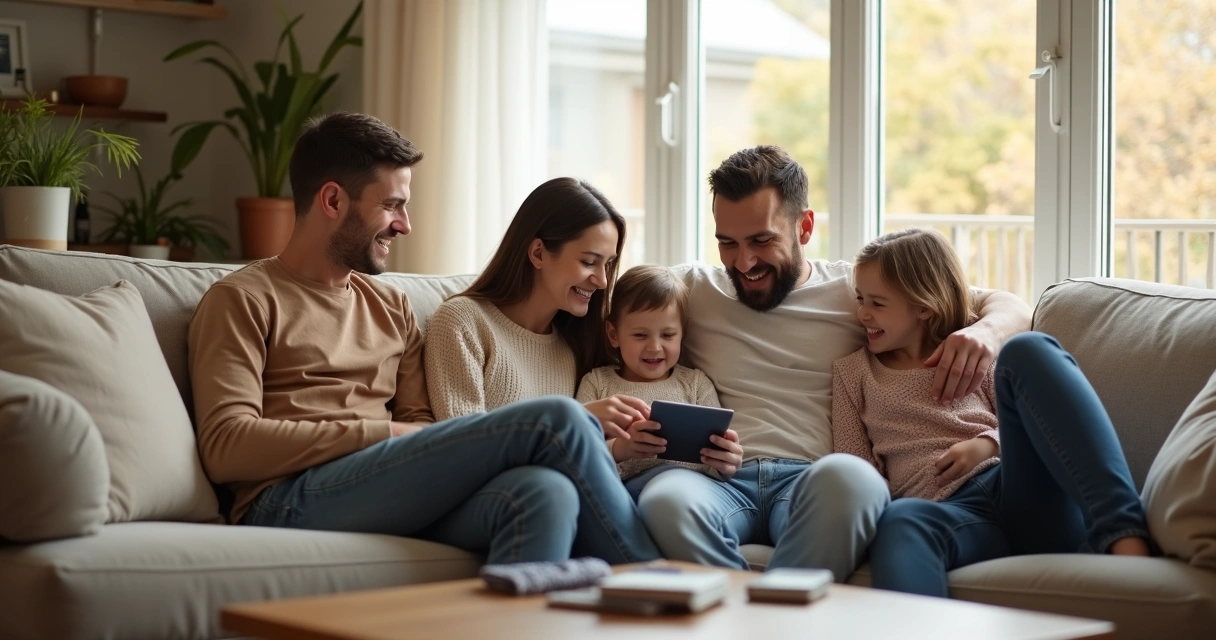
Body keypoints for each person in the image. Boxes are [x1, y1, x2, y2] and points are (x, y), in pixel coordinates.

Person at [187, 112, 658, 566]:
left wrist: (398, 439)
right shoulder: (243, 299)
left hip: (383, 482)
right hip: (286, 499)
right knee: (557, 418)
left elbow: (420, 424)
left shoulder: (390, 307)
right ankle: (665, 586)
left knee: (544, 492)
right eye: (391, 205)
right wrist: (382, 434)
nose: (405, 224)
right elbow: (226, 447)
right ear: (333, 201)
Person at [633, 146, 1033, 579]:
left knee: (853, 480)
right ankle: (753, 615)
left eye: (761, 241)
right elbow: (615, 305)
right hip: (720, 478)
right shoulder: (693, 288)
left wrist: (987, 332)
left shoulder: (858, 292)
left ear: (804, 227)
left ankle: (776, 610)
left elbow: (994, 302)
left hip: (815, 478)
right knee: (665, 499)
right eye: (727, 243)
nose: (743, 262)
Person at [833, 228, 1151, 597]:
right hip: (951, 515)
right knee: (901, 521)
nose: (862, 313)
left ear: (922, 305)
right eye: (859, 298)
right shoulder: (852, 373)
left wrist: (987, 444)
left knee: (1029, 350)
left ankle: (1125, 538)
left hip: (1017, 488)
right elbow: (854, 468)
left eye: (877, 302)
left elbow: (1033, 426)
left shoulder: (973, 351)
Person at [424, 177, 653, 441]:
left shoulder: (581, 342)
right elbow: (462, 446)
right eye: (589, 262)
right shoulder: (462, 322)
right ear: (538, 253)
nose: (602, 281)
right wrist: (573, 419)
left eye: (608, 264)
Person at [574, 265, 745, 499]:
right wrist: (619, 449)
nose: (654, 347)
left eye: (667, 335)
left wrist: (727, 464)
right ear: (614, 335)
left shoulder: (695, 384)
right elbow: (575, 454)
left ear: (682, 333)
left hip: (686, 494)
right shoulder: (596, 383)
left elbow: (715, 462)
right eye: (640, 335)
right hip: (619, 495)